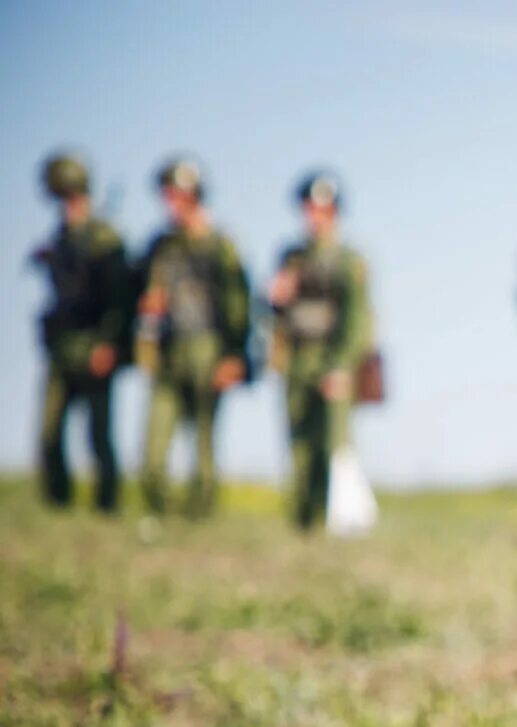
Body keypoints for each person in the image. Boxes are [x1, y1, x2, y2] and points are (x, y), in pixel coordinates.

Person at [136, 157, 250, 518]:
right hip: (168, 350)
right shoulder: (160, 247)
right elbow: (133, 291)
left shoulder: (220, 246)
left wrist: (235, 355)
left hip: (208, 348)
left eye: (178, 196)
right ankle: (162, 512)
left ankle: (200, 514)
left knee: (203, 440)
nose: (172, 204)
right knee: (154, 446)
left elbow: (238, 304)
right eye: (168, 196)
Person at [268, 173, 373, 532]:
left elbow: (358, 319)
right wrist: (273, 300)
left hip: (331, 360)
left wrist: (342, 366)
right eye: (310, 208)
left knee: (334, 443)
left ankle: (341, 521)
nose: (314, 216)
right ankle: (303, 521)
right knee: (299, 445)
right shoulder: (291, 258)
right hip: (298, 360)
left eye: (322, 209)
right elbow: (271, 312)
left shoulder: (348, 260)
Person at [32, 151, 131, 514]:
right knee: (50, 430)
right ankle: (57, 502)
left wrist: (109, 342)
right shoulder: (60, 238)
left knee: (98, 434)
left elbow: (120, 300)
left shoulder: (105, 240)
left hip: (94, 345)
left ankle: (106, 503)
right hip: (62, 346)